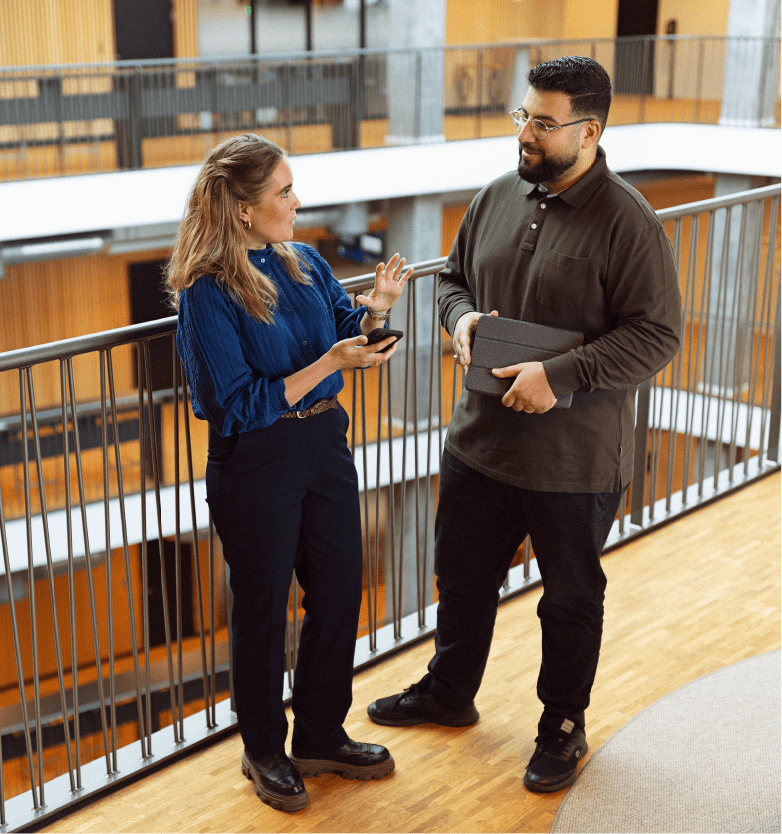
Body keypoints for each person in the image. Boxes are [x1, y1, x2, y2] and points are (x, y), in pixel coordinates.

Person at [367, 56, 682, 793]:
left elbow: (656, 336)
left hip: (572, 462)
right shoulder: (497, 196)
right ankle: (450, 692)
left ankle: (561, 729)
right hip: (478, 442)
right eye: (522, 117)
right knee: (461, 579)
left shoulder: (629, 223)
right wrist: (463, 318)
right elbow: (451, 279)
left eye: (543, 123)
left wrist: (559, 376)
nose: (526, 134)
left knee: (570, 598)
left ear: (589, 129)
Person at [166, 133, 412, 812]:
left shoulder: (302, 259)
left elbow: (342, 326)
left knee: (338, 592)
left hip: (324, 446)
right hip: (257, 462)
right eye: (283, 191)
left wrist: (377, 313)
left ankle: (322, 735)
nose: (297, 202)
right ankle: (264, 749)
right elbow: (235, 404)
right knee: (264, 611)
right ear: (244, 209)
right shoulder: (206, 291)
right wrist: (333, 363)